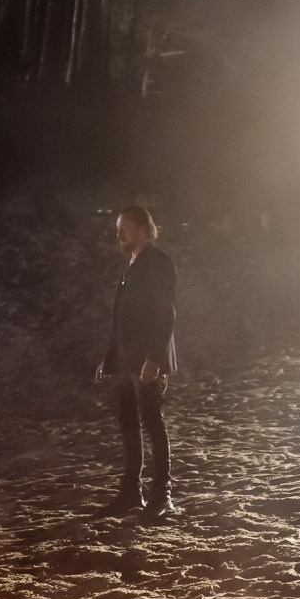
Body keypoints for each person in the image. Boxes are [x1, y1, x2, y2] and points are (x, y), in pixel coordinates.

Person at [94, 204, 177, 519]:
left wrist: (155, 359)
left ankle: (162, 496)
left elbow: (164, 314)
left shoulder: (158, 262)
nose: (118, 233)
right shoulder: (131, 263)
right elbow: (120, 317)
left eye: (124, 227)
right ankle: (131, 493)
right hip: (126, 360)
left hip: (145, 360)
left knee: (153, 424)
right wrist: (110, 358)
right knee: (128, 424)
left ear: (143, 228)